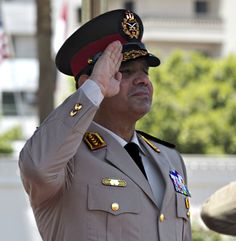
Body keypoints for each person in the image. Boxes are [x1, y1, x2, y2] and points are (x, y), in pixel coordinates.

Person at [19, 9, 192, 241]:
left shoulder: (170, 159)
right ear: (87, 83)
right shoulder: (65, 157)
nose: (143, 80)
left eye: (145, 72)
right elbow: (36, 168)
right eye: (126, 71)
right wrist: (94, 89)